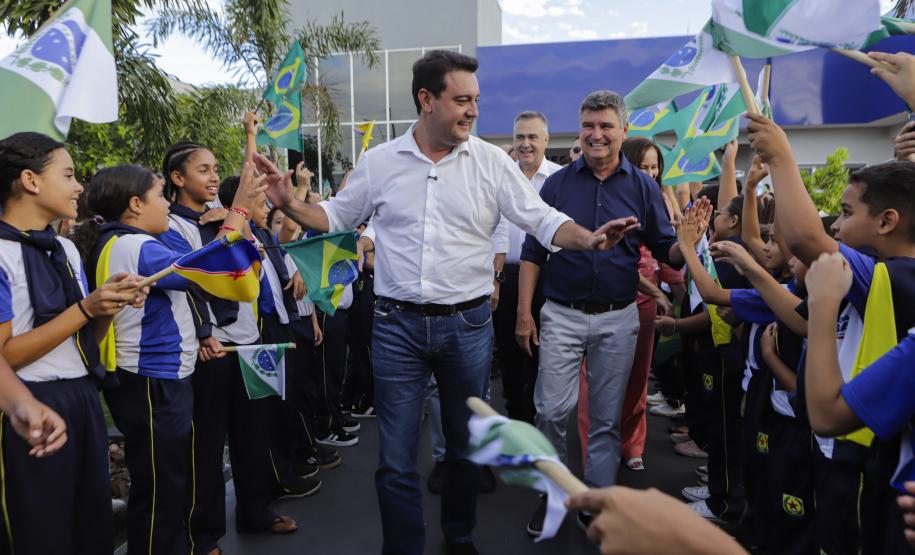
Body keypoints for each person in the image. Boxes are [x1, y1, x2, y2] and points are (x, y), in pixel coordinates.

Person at [259, 50, 641, 555]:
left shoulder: (490, 164)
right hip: (395, 327)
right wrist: (289, 205)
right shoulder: (380, 162)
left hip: (468, 327)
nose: (473, 111)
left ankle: (458, 537)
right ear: (427, 100)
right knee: (394, 458)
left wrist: (589, 240)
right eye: (462, 100)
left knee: (464, 450)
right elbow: (334, 217)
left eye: (475, 100)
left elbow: (544, 220)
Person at [516, 90, 683, 536]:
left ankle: (597, 504)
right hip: (562, 315)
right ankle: (552, 495)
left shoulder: (643, 187)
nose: (596, 134)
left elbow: (666, 248)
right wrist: (524, 313)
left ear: (622, 131)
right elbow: (533, 250)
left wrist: (686, 242)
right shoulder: (557, 185)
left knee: (605, 423)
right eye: (588, 125)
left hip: (618, 319)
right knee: (551, 411)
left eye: (606, 126)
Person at [748, 109, 915, 554]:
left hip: (860, 454)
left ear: (887, 221)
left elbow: (804, 238)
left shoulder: (893, 276)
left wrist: (782, 156)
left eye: (844, 212)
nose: (835, 226)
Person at [0, 132, 146, 555]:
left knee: (91, 525)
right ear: (30, 180)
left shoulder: (63, 247)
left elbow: (86, 346)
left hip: (81, 395)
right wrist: (85, 309)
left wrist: (105, 309)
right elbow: (5, 356)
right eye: (68, 174)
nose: (79, 185)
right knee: (40, 530)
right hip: (28, 404)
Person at [158, 139, 298, 555]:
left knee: (256, 433)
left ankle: (257, 511)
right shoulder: (170, 225)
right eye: (203, 169)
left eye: (216, 167)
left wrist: (238, 225)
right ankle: (205, 535)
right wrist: (204, 330)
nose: (214, 176)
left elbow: (250, 266)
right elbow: (195, 276)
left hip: (252, 342)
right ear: (177, 179)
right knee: (207, 444)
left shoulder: (229, 217)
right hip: (214, 349)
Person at [493, 110, 561, 425]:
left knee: (543, 356)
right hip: (505, 278)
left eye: (533, 136)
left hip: (548, 278)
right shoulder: (499, 177)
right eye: (520, 137)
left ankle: (537, 421)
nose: (526, 144)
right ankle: (517, 419)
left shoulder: (561, 179)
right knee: (508, 355)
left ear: (546, 139)